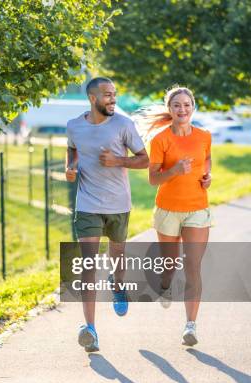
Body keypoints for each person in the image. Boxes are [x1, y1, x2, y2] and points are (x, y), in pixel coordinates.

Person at [66, 77, 149, 352]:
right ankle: (90, 329)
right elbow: (73, 148)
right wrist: (71, 167)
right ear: (92, 98)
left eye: (114, 94)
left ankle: (118, 283)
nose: (113, 99)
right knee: (88, 265)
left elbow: (145, 159)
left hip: (118, 204)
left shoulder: (124, 125)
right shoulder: (74, 125)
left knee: (117, 257)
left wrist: (119, 161)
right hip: (87, 204)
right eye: (107, 95)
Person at [143, 85, 212, 346]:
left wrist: (207, 177)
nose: (182, 109)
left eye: (186, 105)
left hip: (197, 208)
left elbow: (206, 160)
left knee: (192, 266)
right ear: (169, 110)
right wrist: (174, 171)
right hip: (168, 210)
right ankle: (165, 281)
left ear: (192, 107)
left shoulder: (204, 135)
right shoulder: (160, 139)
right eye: (176, 105)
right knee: (170, 266)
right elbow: (153, 179)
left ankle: (190, 326)